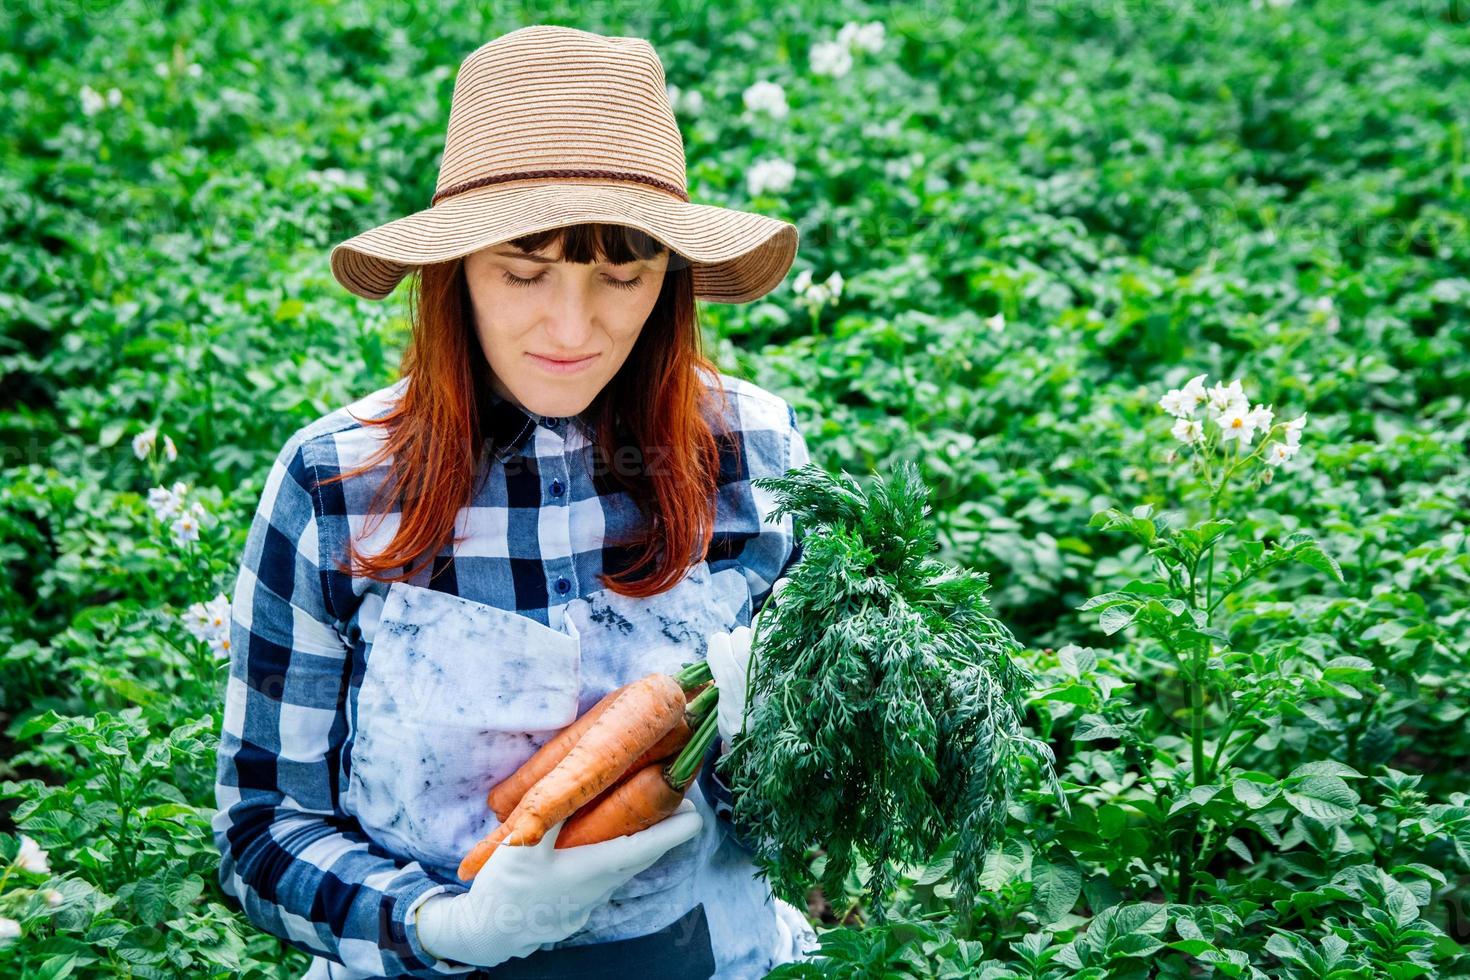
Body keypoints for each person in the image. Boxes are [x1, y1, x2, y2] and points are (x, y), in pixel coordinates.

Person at [212, 24, 819, 980]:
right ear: (455, 276)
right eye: (523, 273)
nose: (573, 328)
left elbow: (806, 799)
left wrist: (783, 749)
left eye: (622, 275)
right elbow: (263, 832)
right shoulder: (339, 484)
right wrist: (441, 927)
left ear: (669, 280)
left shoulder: (752, 452)